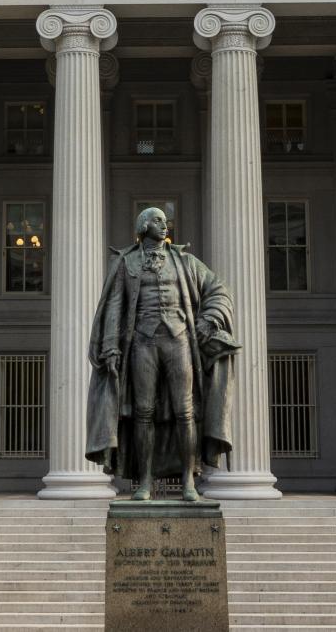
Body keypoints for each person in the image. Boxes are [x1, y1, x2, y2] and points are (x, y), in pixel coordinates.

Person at [85, 208, 238, 500]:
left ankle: (188, 480)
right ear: (143, 225)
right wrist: (110, 346)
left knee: (185, 411)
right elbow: (115, 307)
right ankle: (144, 481)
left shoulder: (185, 261)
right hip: (142, 341)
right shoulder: (126, 263)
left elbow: (219, 289)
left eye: (165, 221)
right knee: (143, 412)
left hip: (179, 339)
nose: (164, 224)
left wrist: (209, 318)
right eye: (157, 220)